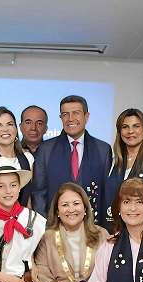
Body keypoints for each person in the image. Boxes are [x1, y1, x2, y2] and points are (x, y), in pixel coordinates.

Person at [30, 95, 113, 227]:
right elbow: (39, 193)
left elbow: (106, 194)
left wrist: (102, 230)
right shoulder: (46, 150)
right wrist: (46, 228)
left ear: (86, 116)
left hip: (92, 229)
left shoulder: (103, 150)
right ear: (60, 118)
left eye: (76, 113)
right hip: (55, 229)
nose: (70, 119)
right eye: (65, 114)